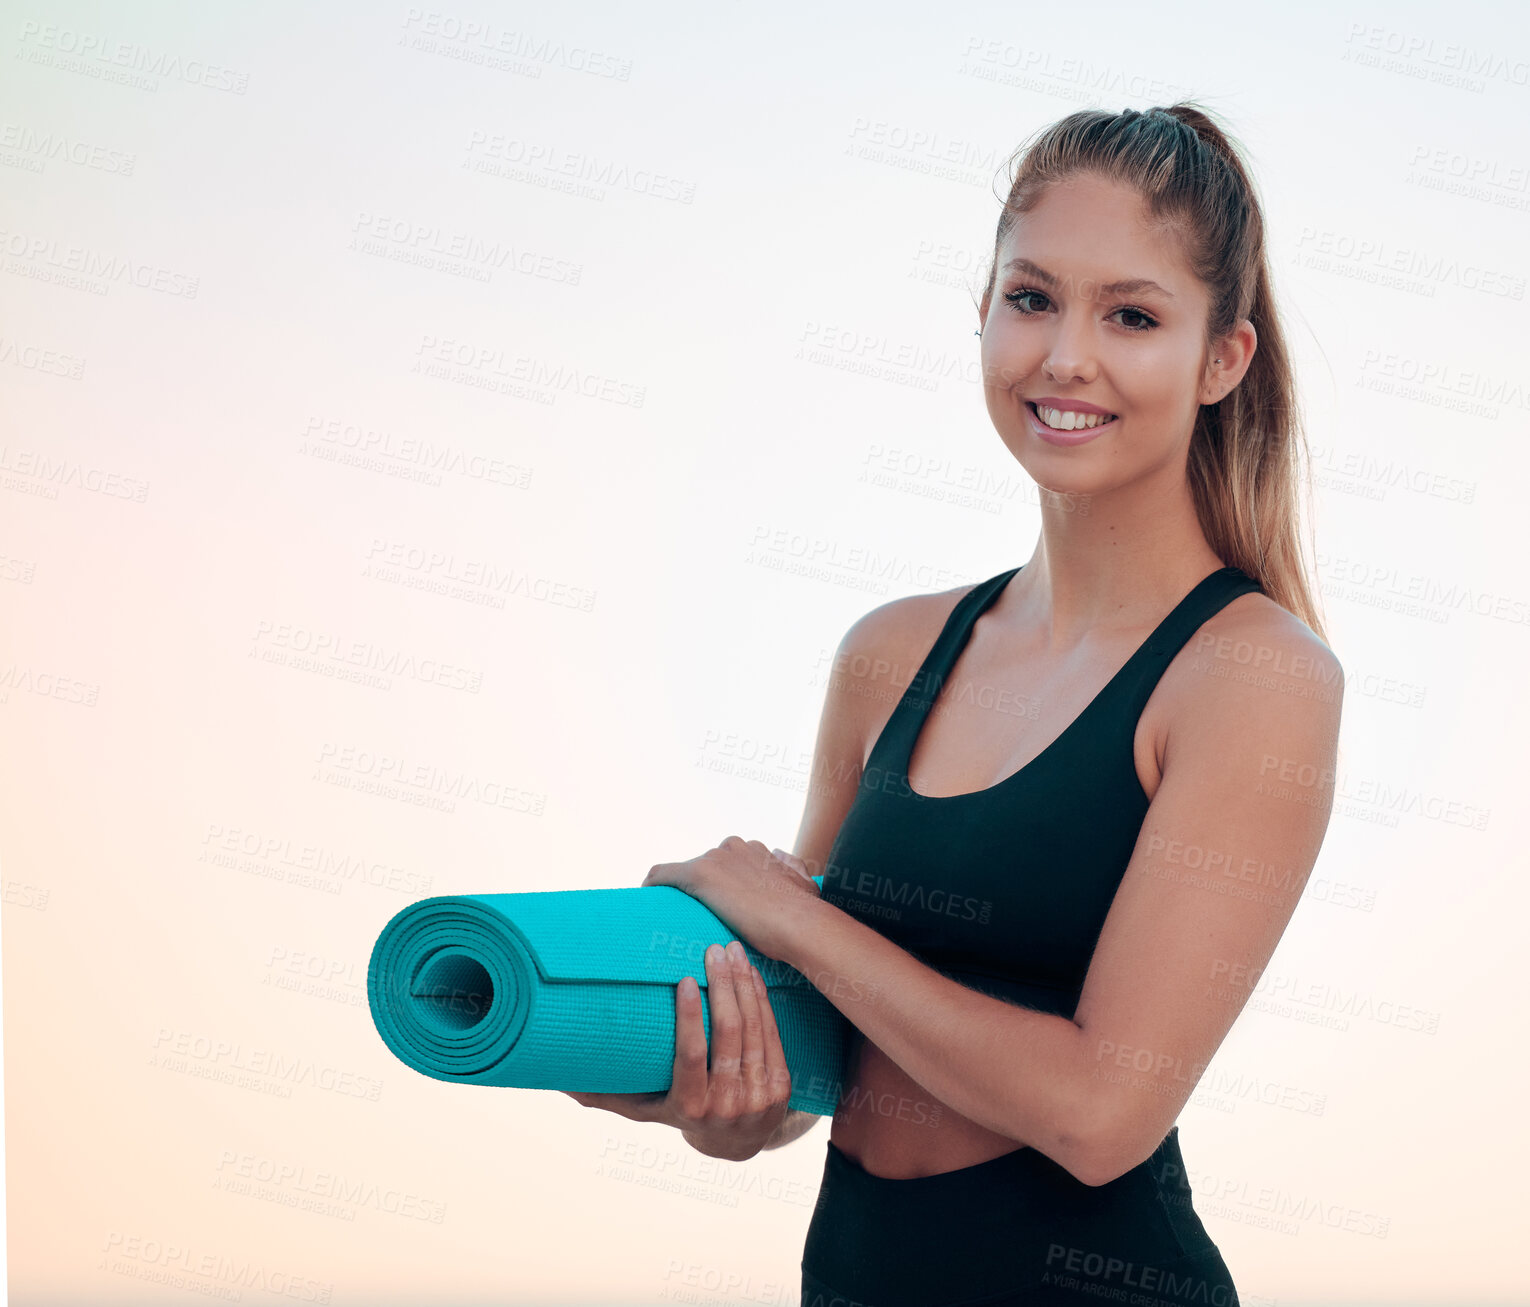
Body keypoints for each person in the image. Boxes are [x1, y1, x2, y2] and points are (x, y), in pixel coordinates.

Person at [566, 101, 1344, 1307]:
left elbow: (1101, 1112)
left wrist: (799, 919)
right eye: (1032, 298)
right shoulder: (889, 653)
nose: (1066, 357)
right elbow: (820, 1037)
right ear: (982, 312)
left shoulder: (1254, 675)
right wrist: (713, 1099)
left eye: (1131, 315)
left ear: (1221, 358)